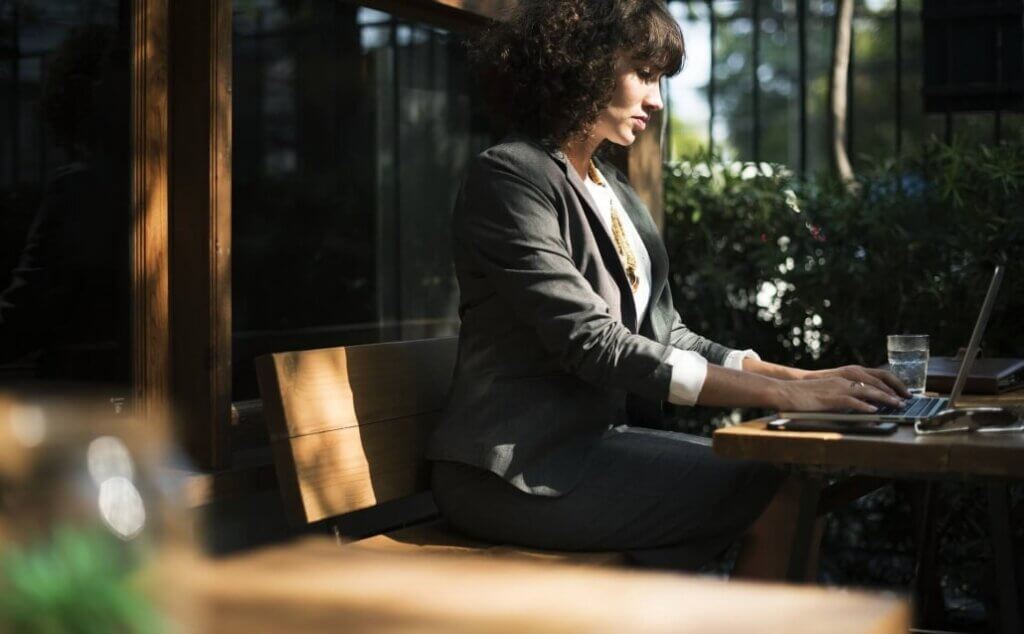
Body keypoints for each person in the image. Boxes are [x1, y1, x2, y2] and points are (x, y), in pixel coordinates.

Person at [426, 0, 909, 575]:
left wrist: (806, 379)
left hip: (590, 450)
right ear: (584, 62)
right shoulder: (510, 177)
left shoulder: (615, 190)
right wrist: (786, 398)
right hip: (512, 472)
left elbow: (665, 332)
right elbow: (593, 342)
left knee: (788, 480)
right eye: (645, 74)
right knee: (773, 491)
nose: (656, 99)